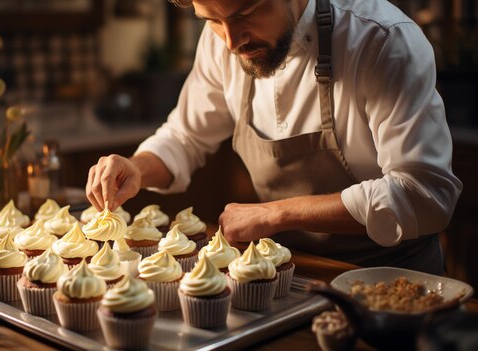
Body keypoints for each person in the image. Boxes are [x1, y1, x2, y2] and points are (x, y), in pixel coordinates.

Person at [85, 0, 462, 275]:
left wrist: (275, 214)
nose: (231, 41)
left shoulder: (381, 40)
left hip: (393, 283)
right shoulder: (220, 42)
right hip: (287, 276)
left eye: (246, 12)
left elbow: (424, 193)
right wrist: (135, 167)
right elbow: (185, 136)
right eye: (212, 20)